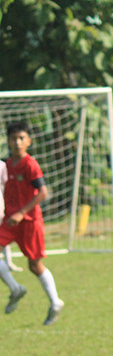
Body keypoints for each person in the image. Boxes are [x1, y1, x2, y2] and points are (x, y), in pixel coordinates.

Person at [0, 121, 64, 324]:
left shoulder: (30, 164)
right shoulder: (7, 164)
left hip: (29, 221)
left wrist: (21, 212)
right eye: (13, 139)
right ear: (8, 141)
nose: (17, 142)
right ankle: (16, 289)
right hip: (10, 220)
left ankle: (55, 302)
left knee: (34, 265)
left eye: (21, 138)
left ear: (28, 141)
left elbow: (43, 192)